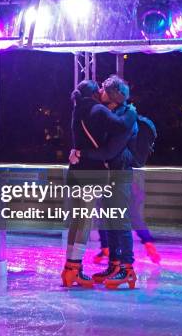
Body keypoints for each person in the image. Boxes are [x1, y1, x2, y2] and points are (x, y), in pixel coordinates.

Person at [61, 80, 136, 288]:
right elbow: (120, 128)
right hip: (92, 174)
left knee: (90, 221)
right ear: (95, 94)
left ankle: (76, 267)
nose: (102, 89)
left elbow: (108, 148)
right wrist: (132, 112)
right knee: (86, 222)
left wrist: (79, 152)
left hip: (82, 172)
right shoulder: (99, 110)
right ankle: (75, 268)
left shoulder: (79, 109)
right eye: (99, 87)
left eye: (105, 87)